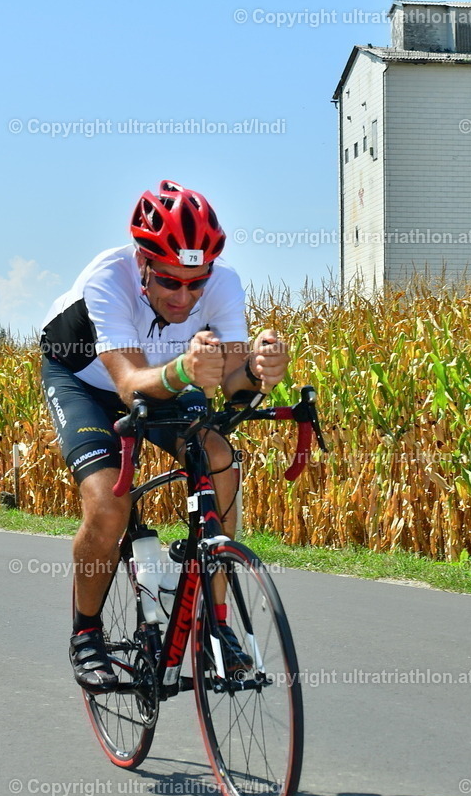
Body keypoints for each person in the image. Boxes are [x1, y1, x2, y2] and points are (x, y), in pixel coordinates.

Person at [40, 179, 289, 692]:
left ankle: (217, 623)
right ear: (142, 264)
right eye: (170, 282)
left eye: (196, 283)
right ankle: (86, 632)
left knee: (218, 454)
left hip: (167, 372)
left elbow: (233, 384)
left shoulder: (223, 283)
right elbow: (130, 383)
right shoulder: (106, 279)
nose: (184, 297)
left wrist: (261, 371)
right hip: (86, 380)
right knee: (110, 504)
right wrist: (186, 370)